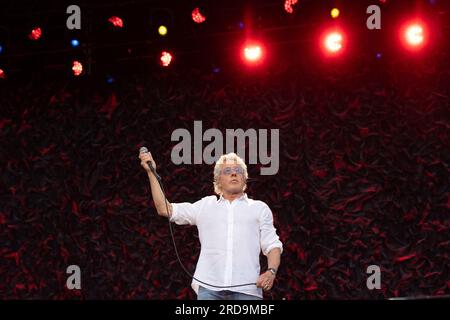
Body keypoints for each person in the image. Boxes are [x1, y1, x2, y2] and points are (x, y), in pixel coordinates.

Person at [139, 151, 283, 300]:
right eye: (227, 171)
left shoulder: (259, 208)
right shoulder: (205, 206)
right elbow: (165, 208)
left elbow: (272, 245)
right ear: (218, 180)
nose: (234, 174)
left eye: (238, 170)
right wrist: (151, 172)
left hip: (247, 290)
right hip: (209, 288)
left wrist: (271, 271)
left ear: (244, 178)